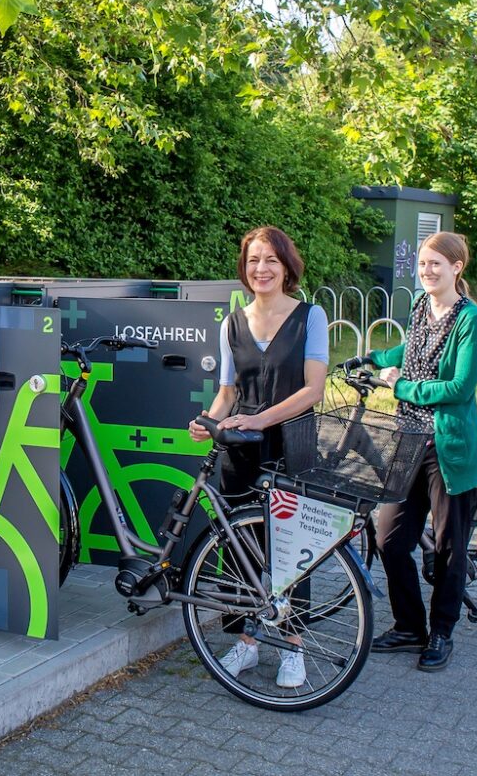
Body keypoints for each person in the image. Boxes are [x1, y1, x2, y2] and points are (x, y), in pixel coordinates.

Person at [188, 226, 328, 689]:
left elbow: (313, 390)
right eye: (253, 261)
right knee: (239, 546)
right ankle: (246, 642)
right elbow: (228, 393)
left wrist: (260, 419)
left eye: (270, 260)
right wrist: (209, 422)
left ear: (287, 266)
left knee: (290, 548)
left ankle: (292, 646)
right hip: (241, 447)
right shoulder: (231, 323)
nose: (261, 269)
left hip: (291, 441)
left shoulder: (311, 317)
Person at [360, 231, 477, 672]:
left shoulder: (470, 319)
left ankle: (442, 631)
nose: (428, 271)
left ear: (457, 268)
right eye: (423, 263)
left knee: (451, 547)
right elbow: (409, 348)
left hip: (447, 446)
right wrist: (373, 359)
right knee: (390, 540)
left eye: (437, 264)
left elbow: (460, 387)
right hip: (408, 441)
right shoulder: (420, 307)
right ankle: (410, 625)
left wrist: (400, 385)